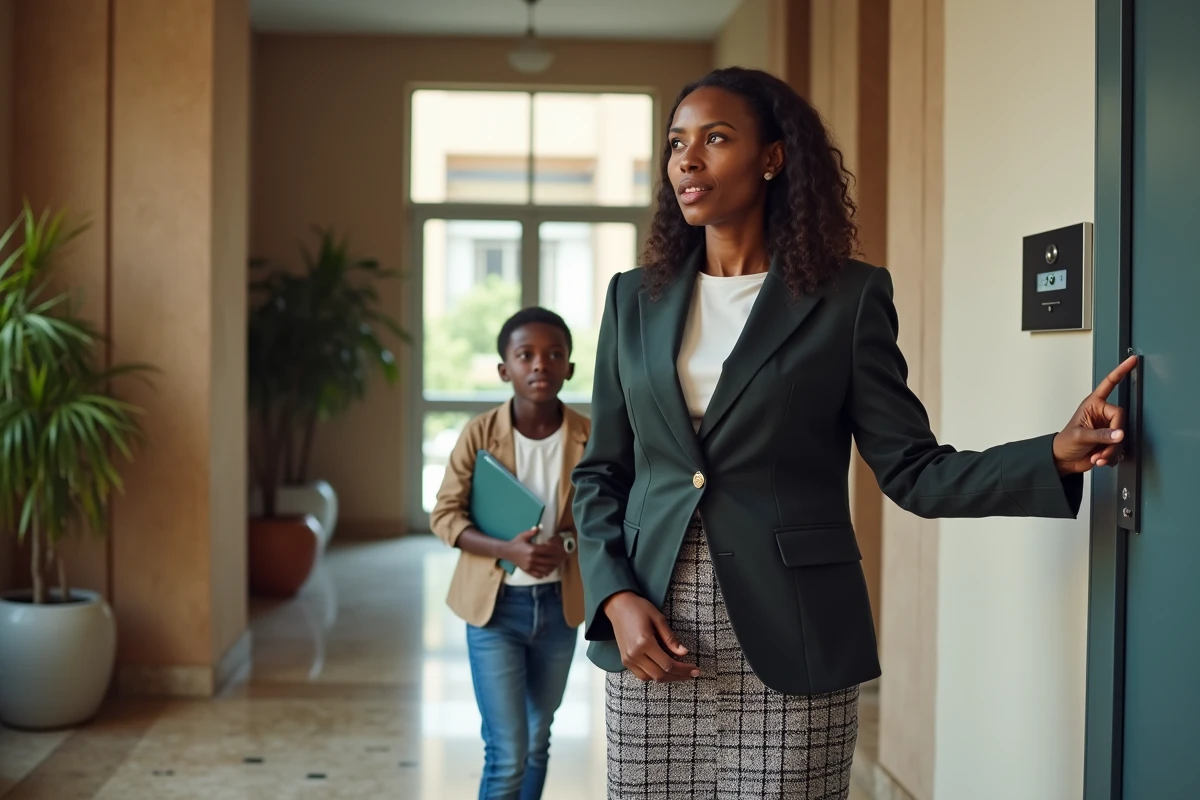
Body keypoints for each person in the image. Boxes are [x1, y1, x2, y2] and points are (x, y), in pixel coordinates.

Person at [571, 67, 1136, 800]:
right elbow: (601, 474)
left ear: (773, 158)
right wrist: (614, 597)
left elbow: (912, 469)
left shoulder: (847, 298)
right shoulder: (632, 300)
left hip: (794, 635)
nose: (688, 159)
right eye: (678, 142)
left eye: (715, 138)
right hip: (653, 632)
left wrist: (1052, 455)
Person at [430, 307, 591, 800]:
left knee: (538, 741)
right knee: (507, 750)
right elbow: (444, 516)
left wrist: (562, 546)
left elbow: (609, 518)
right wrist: (506, 550)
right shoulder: (479, 435)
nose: (540, 364)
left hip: (559, 609)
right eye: (526, 355)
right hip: (495, 611)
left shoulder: (591, 435)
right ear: (505, 369)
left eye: (554, 354)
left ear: (569, 367)